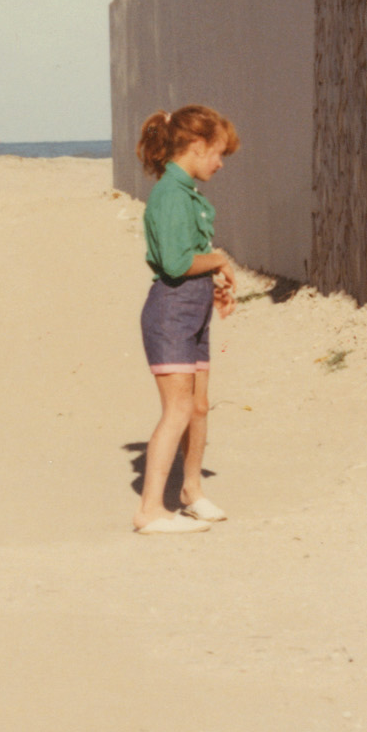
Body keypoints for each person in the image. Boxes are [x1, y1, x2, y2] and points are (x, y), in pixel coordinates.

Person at [131, 104, 242, 536]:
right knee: (177, 409)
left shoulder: (184, 192)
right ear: (196, 147)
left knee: (197, 405)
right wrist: (219, 259)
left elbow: (188, 262)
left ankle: (190, 491)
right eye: (217, 153)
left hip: (189, 308)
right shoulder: (173, 195)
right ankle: (150, 510)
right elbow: (176, 264)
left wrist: (214, 280)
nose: (219, 163)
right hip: (171, 312)